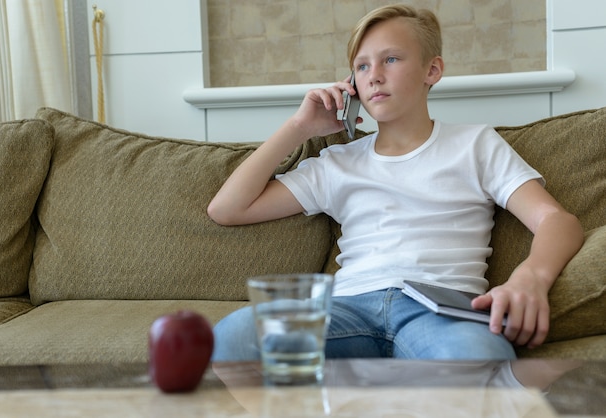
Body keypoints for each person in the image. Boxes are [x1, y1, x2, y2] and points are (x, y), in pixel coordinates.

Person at [207, 4, 584, 361]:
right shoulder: (337, 162)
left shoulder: (475, 144)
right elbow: (228, 209)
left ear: (431, 71)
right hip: (346, 309)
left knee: (478, 361)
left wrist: (531, 277)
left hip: (441, 314)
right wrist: (298, 128)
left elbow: (557, 221)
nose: (374, 75)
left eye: (391, 59)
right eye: (362, 66)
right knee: (237, 335)